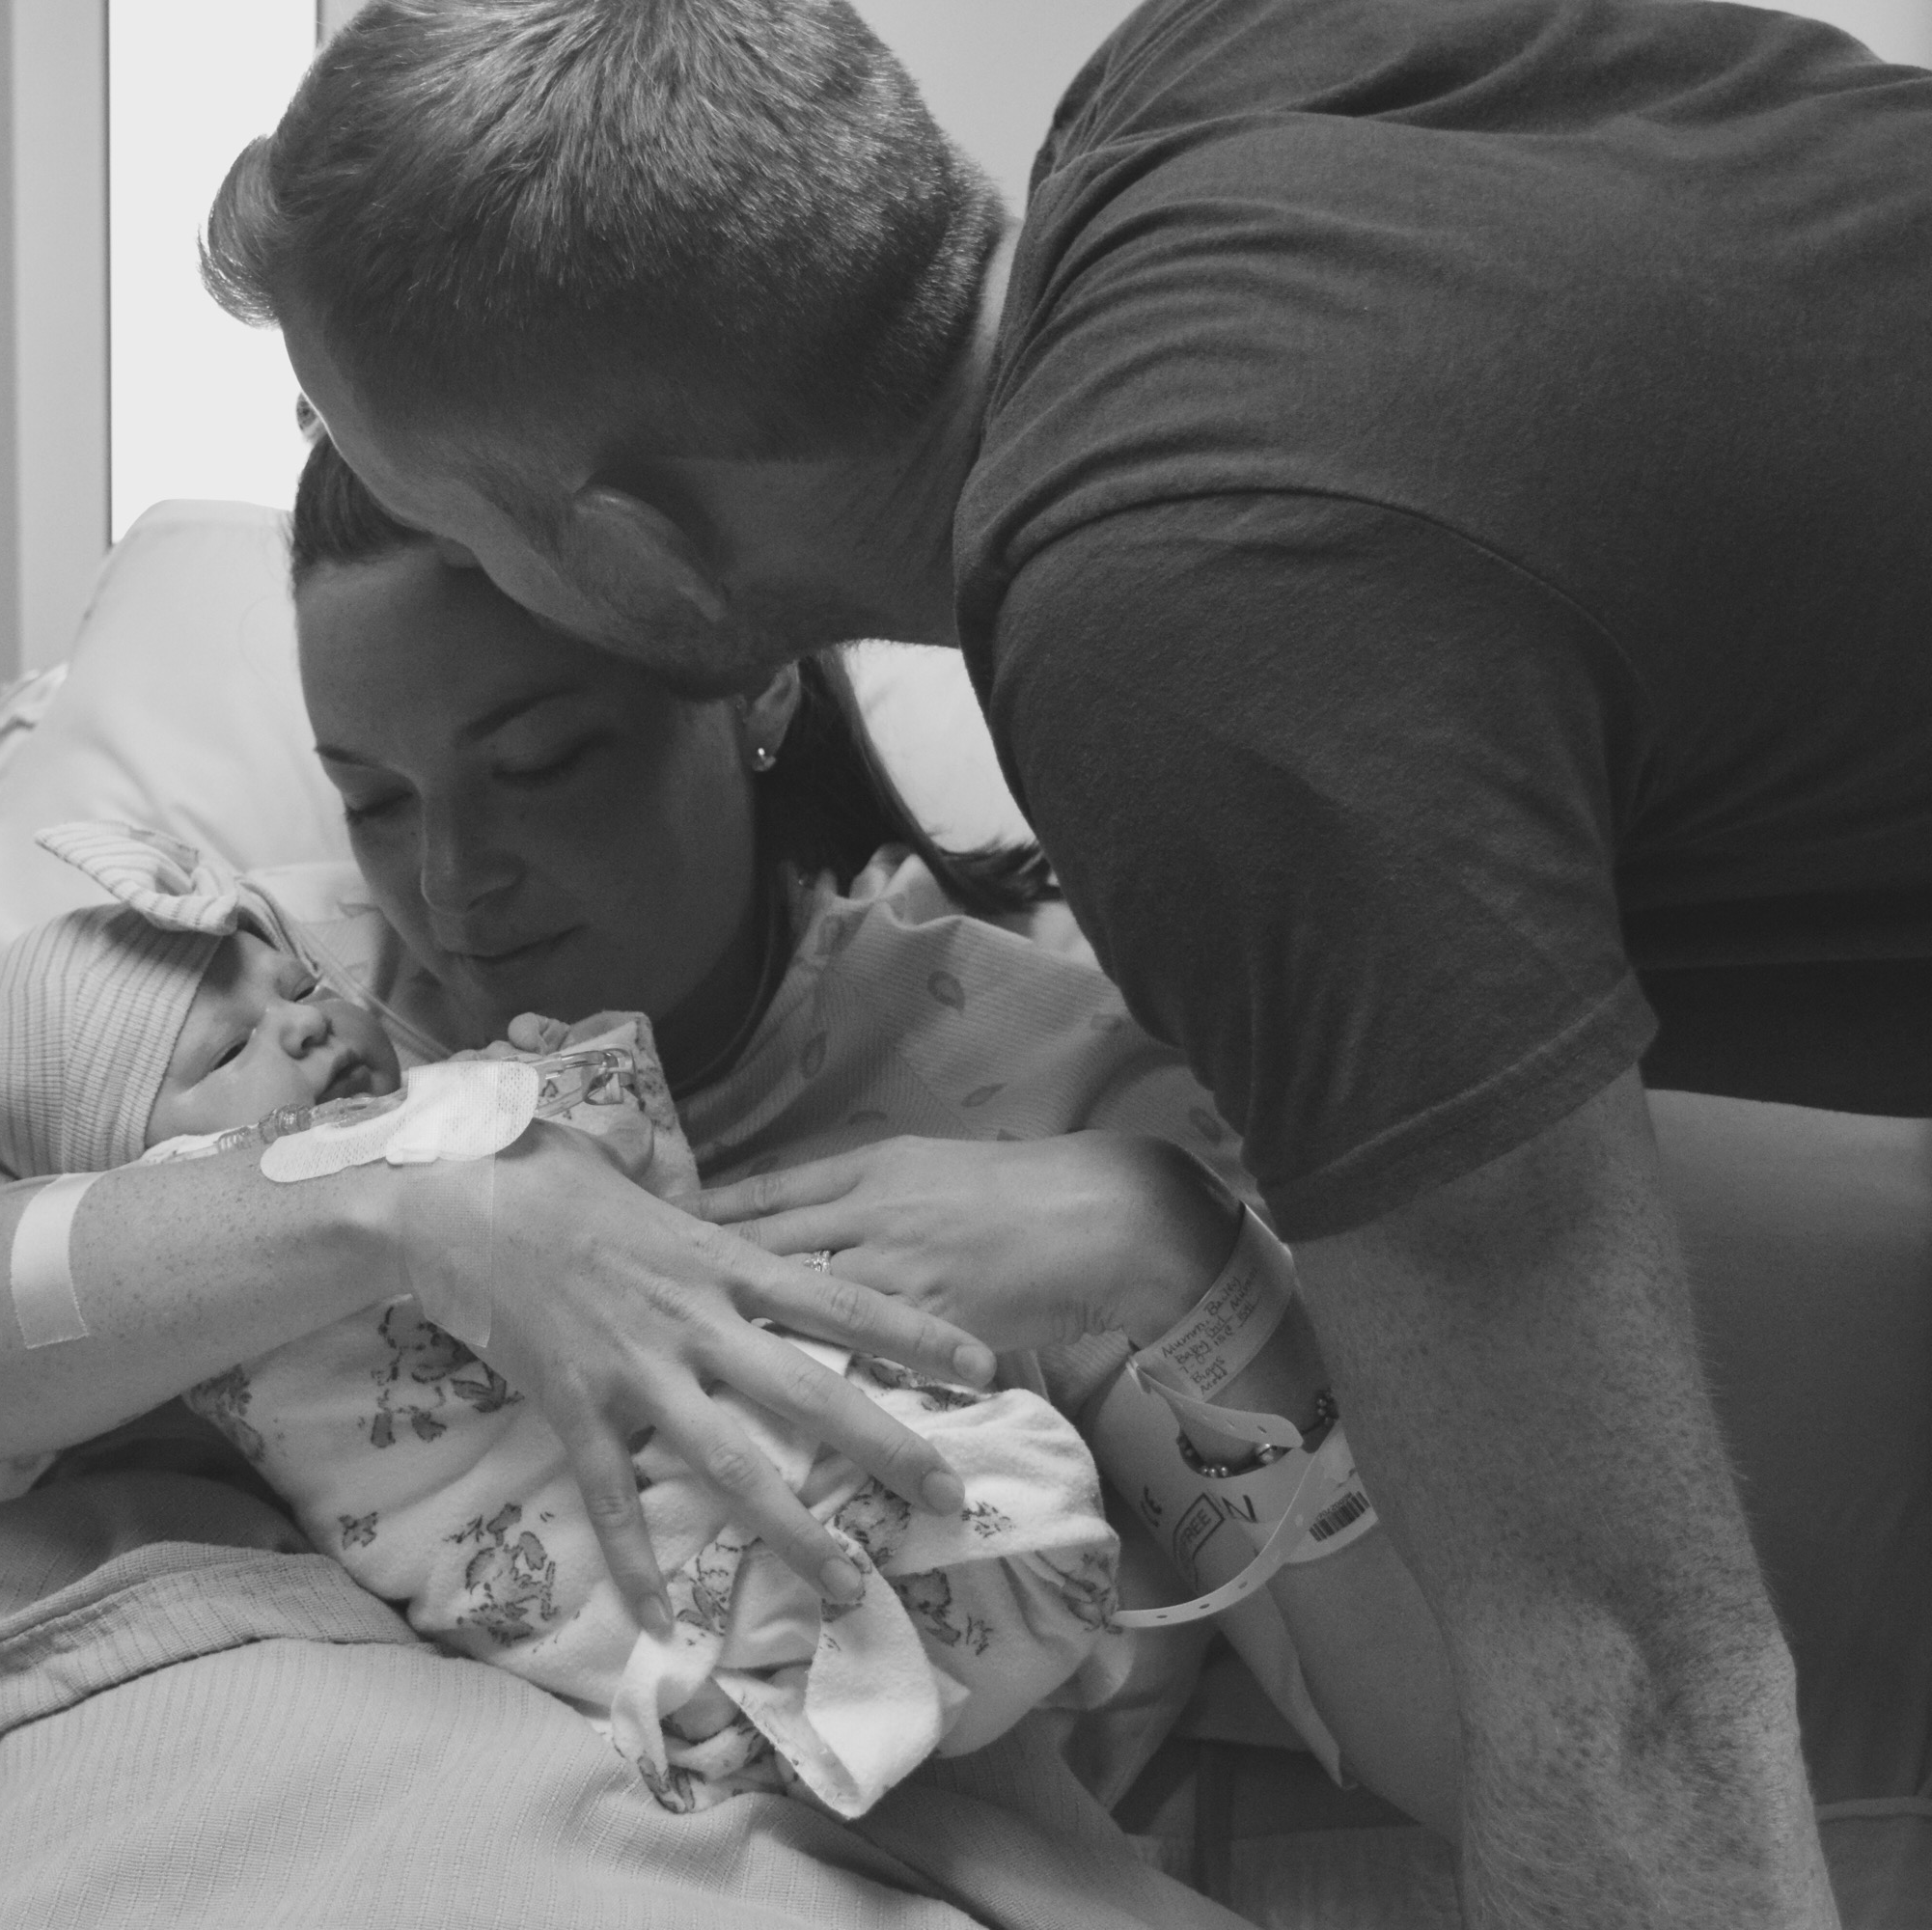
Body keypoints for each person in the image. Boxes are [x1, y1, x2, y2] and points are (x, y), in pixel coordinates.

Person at [195, 1, 1932, 1923]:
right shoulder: (1218, 65)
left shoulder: (1182, 654)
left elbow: (1623, 1700)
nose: (450, 875)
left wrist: (1179, 1268)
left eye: (454, 529)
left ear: (639, 560)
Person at [0, 434, 1465, 1842]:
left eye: (542, 764)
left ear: (752, 680)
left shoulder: (1019, 1092)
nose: (453, 886)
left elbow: (1450, 1751)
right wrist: (413, 1206)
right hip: (278, 1794)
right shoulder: (290, 996)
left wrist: (1174, 1255)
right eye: (375, 798)